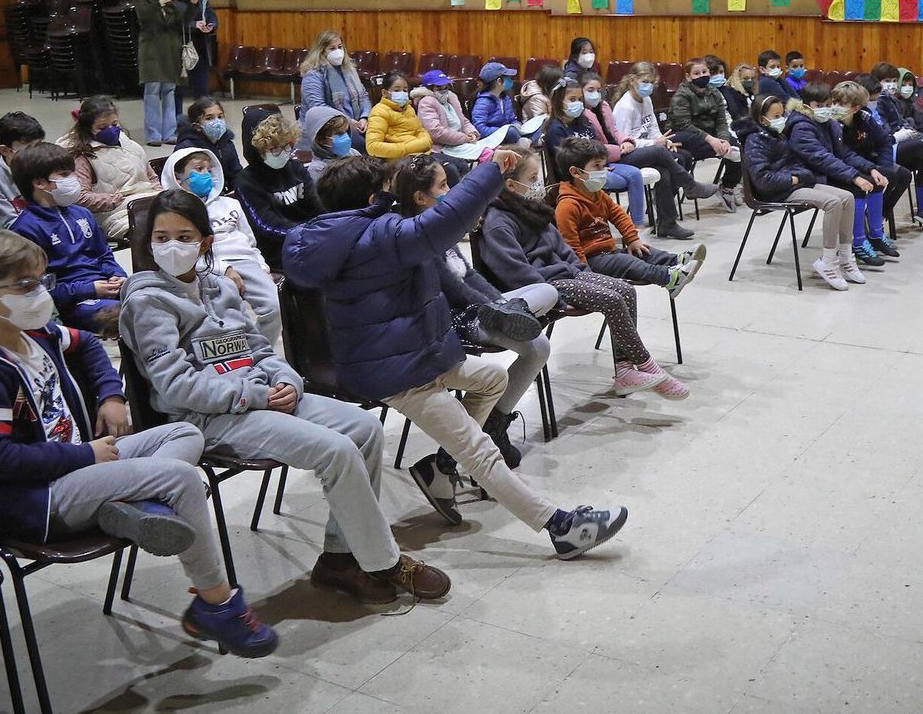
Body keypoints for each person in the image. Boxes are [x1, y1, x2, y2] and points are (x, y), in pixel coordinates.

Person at [0, 232, 277, 656]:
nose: (40, 292)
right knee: (181, 478)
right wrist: (85, 454)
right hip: (31, 499)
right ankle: (218, 606)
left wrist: (111, 395)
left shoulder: (34, 334)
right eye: (24, 285)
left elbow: (90, 343)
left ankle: (136, 507)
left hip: (76, 467)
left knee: (186, 433)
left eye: (42, 280)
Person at [287, 154, 629, 559]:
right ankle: (561, 528)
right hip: (398, 372)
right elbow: (448, 217)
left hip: (411, 354)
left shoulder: (338, 237)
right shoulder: (380, 236)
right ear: (369, 195)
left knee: (492, 379)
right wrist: (493, 171)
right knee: (479, 450)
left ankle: (441, 468)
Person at [119, 190, 449, 604]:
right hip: (207, 416)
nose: (171, 246)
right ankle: (383, 561)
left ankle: (339, 558)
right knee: (336, 450)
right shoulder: (147, 300)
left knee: (364, 429)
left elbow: (258, 348)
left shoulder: (220, 287)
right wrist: (253, 395)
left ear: (205, 242)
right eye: (161, 236)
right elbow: (175, 386)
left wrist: (288, 382)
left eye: (184, 236)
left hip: (264, 395)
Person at [480, 149, 689, 399]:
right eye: (533, 178)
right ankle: (647, 365)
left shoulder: (531, 209)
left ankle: (624, 370)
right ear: (512, 184)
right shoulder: (498, 223)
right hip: (542, 287)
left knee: (625, 289)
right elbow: (516, 272)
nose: (539, 185)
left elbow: (562, 247)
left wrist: (581, 272)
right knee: (611, 299)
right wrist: (561, 286)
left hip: (566, 274)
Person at [391, 154, 554, 469]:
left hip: (484, 306)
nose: (450, 190)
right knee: (539, 347)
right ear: (420, 198)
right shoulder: (415, 236)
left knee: (547, 290)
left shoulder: (443, 226)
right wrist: (489, 306)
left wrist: (500, 303)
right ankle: (494, 424)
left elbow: (469, 275)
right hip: (459, 317)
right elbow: (455, 289)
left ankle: (512, 312)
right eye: (443, 185)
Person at [160, 148, 280, 348]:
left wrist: (262, 268)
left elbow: (250, 242)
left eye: (209, 169)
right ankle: (237, 359)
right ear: (178, 178)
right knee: (235, 315)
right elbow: (181, 254)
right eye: (199, 169)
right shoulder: (175, 212)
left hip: (246, 261)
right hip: (207, 267)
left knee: (274, 306)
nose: (206, 174)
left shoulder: (230, 204)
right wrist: (223, 269)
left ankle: (259, 353)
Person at [742, 95, 863, 291]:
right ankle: (829, 261)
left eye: (783, 114)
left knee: (847, 197)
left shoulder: (778, 134)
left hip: (794, 183)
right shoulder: (755, 140)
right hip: (777, 191)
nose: (781, 119)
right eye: (776, 116)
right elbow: (763, 180)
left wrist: (800, 176)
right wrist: (795, 179)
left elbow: (796, 163)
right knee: (832, 203)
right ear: (761, 119)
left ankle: (846, 257)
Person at [554, 137, 700, 296]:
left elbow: (618, 215)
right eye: (597, 166)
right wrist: (586, 275)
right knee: (630, 263)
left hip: (609, 253)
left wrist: (632, 239)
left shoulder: (597, 194)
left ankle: (675, 261)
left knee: (642, 251)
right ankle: (668, 278)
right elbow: (570, 246)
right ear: (576, 172)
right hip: (591, 261)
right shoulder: (567, 205)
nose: (603, 171)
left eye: (604, 165)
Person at [580, 69, 715, 240]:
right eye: (590, 90)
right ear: (632, 80)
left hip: (626, 149)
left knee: (666, 169)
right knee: (660, 152)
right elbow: (598, 145)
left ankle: (667, 223)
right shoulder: (621, 107)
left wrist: (634, 140)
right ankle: (690, 185)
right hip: (613, 157)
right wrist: (644, 144)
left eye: (599, 90)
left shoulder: (605, 107)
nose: (596, 94)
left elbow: (617, 132)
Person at [7, 142, 127, 334]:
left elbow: (104, 255)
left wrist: (117, 275)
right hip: (75, 303)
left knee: (157, 296)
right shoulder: (25, 230)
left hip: (107, 288)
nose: (74, 179)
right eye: (64, 175)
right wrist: (89, 289)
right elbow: (38, 288)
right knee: (132, 315)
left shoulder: (83, 214)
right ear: (39, 183)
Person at [785, 82, 889, 271]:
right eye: (819, 105)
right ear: (806, 105)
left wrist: (871, 168)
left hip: (825, 173)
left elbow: (844, 153)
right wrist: (854, 177)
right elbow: (823, 159)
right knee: (856, 187)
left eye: (828, 104)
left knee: (875, 181)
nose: (826, 109)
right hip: (810, 177)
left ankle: (875, 235)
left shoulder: (829, 123)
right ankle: (857, 243)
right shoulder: (801, 127)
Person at [544, 81, 650, 229]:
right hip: (581, 174)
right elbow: (565, 160)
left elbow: (597, 147)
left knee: (635, 174)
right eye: (572, 99)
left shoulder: (584, 122)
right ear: (559, 102)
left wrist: (602, 165)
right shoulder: (556, 129)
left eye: (580, 99)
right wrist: (596, 168)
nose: (578, 103)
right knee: (623, 180)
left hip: (600, 166)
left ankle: (637, 226)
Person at [61, 95, 159, 241]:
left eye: (114, 124)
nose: (111, 130)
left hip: (150, 202)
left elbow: (151, 177)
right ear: (87, 128)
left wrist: (160, 191)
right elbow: (79, 197)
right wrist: (113, 200)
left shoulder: (129, 144)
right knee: (154, 233)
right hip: (117, 213)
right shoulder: (80, 155)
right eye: (102, 127)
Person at [234, 112, 322, 270]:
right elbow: (266, 224)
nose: (284, 153)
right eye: (275, 149)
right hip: (277, 252)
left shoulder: (295, 168)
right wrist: (306, 235)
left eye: (287, 146)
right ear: (258, 150)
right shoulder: (246, 182)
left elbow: (316, 204)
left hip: (309, 240)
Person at [874, 66, 923, 232]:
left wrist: (907, 130)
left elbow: (900, 121)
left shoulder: (892, 100)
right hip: (884, 150)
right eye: (886, 81)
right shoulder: (876, 103)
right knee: (920, 147)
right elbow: (882, 131)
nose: (891, 85)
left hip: (896, 145)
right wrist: (899, 134)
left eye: (894, 81)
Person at [850, 75, 914, 259]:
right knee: (870, 181)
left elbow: (884, 139)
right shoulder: (837, 124)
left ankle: (876, 228)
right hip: (853, 166)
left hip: (869, 160)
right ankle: (860, 238)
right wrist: (870, 168)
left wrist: (883, 167)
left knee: (900, 174)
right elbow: (843, 154)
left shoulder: (865, 116)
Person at [668, 57, 743, 211]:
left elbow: (721, 121)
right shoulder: (681, 95)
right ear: (688, 77)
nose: (701, 75)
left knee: (736, 149)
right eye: (696, 73)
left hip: (711, 136)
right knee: (688, 140)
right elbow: (684, 125)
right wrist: (710, 140)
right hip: (684, 136)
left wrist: (724, 139)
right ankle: (666, 197)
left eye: (704, 71)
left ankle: (727, 187)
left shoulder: (714, 92)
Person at [132, 0, 185, 146]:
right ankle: (153, 134)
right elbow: (144, 16)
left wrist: (191, 4)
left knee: (169, 92)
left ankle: (169, 133)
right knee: (152, 92)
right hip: (151, 51)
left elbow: (181, 20)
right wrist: (160, 2)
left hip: (169, 51)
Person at [298, 30, 371, 152]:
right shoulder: (313, 75)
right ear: (321, 51)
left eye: (340, 47)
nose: (338, 51)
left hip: (356, 124)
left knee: (381, 137)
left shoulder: (348, 70)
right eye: (332, 48)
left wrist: (364, 117)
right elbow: (319, 108)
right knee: (363, 146)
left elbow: (363, 96)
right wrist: (347, 121)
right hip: (328, 128)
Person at [412, 69, 488, 177]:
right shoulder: (426, 103)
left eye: (446, 87)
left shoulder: (451, 99)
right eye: (438, 87)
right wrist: (465, 138)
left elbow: (464, 121)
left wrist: (473, 133)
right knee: (486, 154)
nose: (443, 90)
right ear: (429, 88)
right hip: (442, 147)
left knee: (493, 150)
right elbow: (436, 133)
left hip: (461, 142)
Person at [0, 111, 45, 229]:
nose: (36, 154)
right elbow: (9, 223)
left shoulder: (44, 164)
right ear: (5, 150)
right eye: (28, 149)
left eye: (39, 146)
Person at [366, 72, 434, 162]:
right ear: (384, 92)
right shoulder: (379, 111)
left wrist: (425, 143)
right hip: (400, 161)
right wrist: (406, 149)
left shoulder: (408, 108)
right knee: (450, 169)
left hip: (421, 154)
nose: (402, 93)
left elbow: (421, 132)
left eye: (405, 90)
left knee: (456, 164)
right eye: (397, 90)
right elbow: (372, 147)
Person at [172, 0, 218, 102]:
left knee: (202, 87)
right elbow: (176, 21)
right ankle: (178, 119)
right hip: (181, 44)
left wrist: (211, 25)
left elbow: (209, 13)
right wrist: (194, 24)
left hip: (199, 44)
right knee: (178, 89)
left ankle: (203, 116)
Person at [175, 96, 242, 181]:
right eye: (209, 118)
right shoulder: (186, 148)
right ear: (197, 126)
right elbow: (181, 179)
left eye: (220, 117)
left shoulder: (227, 144)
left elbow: (236, 174)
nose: (217, 122)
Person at [470, 61, 534, 149]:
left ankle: (524, 142)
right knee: (511, 132)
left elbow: (512, 119)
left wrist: (517, 124)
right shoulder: (483, 101)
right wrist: (502, 131)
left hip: (506, 133)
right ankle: (524, 143)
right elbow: (479, 128)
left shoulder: (506, 98)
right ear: (499, 81)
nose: (510, 80)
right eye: (507, 77)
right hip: (493, 138)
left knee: (538, 125)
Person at [301, 104, 359, 179]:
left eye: (346, 131)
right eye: (339, 134)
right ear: (321, 140)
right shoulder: (318, 170)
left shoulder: (353, 153)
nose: (345, 137)